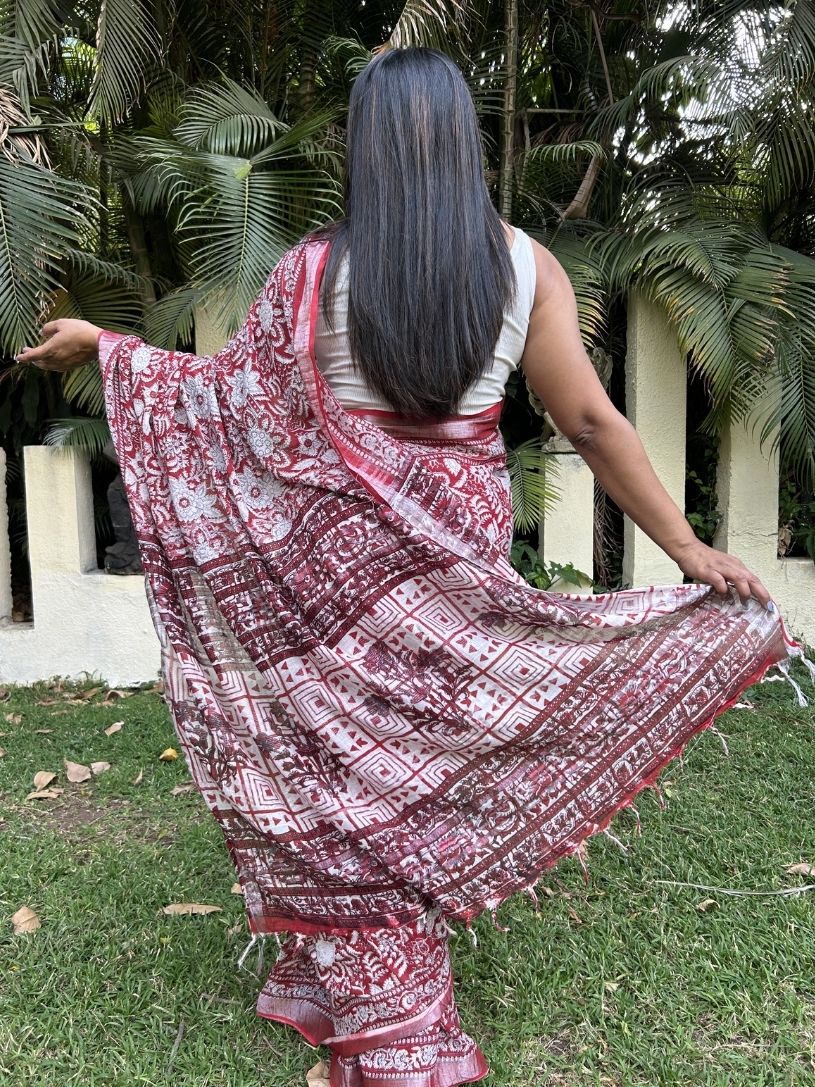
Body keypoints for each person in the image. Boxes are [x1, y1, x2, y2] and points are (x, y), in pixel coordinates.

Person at [17, 45, 813, 1087]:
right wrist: (685, 546)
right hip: (455, 555)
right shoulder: (524, 266)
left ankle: (380, 992)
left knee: (343, 756)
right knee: (426, 758)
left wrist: (111, 349)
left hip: (330, 570)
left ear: (369, 149)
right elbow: (586, 417)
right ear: (461, 147)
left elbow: (231, 402)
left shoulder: (313, 271)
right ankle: (358, 965)